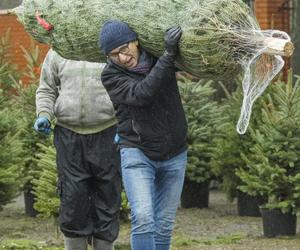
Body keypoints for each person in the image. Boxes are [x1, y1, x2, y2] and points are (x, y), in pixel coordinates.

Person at [98, 20, 188, 250]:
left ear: (136, 41)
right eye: (113, 54)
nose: (122, 58)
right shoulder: (110, 76)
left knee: (164, 224)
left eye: (124, 49)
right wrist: (168, 55)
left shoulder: (158, 56)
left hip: (175, 152)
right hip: (137, 152)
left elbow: (194, 65)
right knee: (144, 218)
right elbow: (141, 94)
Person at [34, 49, 121, 250]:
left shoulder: (108, 48)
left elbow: (127, 87)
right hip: (69, 136)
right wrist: (44, 114)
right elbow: (47, 88)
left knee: (108, 198)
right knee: (73, 201)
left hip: (108, 132)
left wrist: (126, 123)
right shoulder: (58, 51)